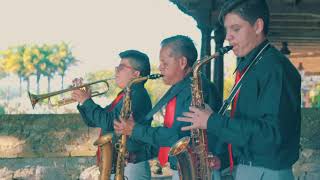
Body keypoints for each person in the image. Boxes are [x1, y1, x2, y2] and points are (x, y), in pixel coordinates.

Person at [177, 0, 301, 180]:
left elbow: (272, 136)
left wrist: (212, 121)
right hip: (249, 168)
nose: (228, 37)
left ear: (258, 26)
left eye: (236, 29)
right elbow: (250, 127)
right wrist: (225, 160)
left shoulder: (275, 69)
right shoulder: (252, 65)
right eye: (227, 30)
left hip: (266, 172)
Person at [114, 35, 222, 179]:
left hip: (199, 171)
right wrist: (138, 155)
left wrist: (135, 129)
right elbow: (169, 137)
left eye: (164, 63)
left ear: (182, 62)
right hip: (184, 169)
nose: (160, 67)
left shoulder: (197, 89)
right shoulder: (180, 88)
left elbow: (179, 137)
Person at [71, 50, 153, 180]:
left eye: (121, 68)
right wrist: (83, 102)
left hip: (130, 165)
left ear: (136, 74)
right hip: (121, 164)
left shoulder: (137, 94)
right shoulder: (125, 95)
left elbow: (109, 122)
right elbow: (94, 121)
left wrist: (86, 101)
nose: (116, 71)